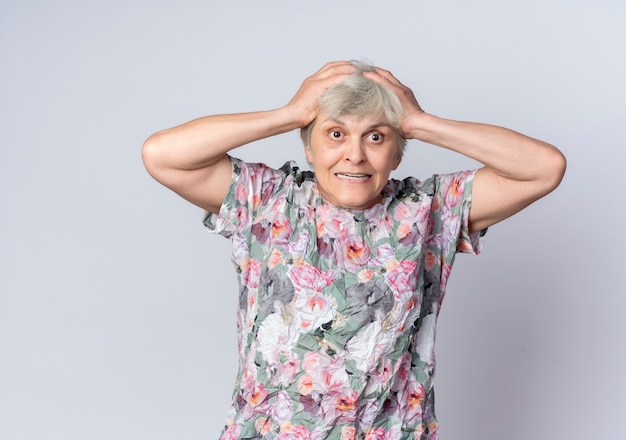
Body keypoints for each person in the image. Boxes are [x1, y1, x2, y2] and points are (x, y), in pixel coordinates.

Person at [142, 61, 566, 440]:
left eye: (376, 137)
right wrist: (289, 114)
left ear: (397, 153)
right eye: (336, 133)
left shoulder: (428, 209)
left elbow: (543, 168)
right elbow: (163, 155)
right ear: (309, 146)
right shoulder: (269, 201)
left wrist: (419, 121)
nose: (355, 155)